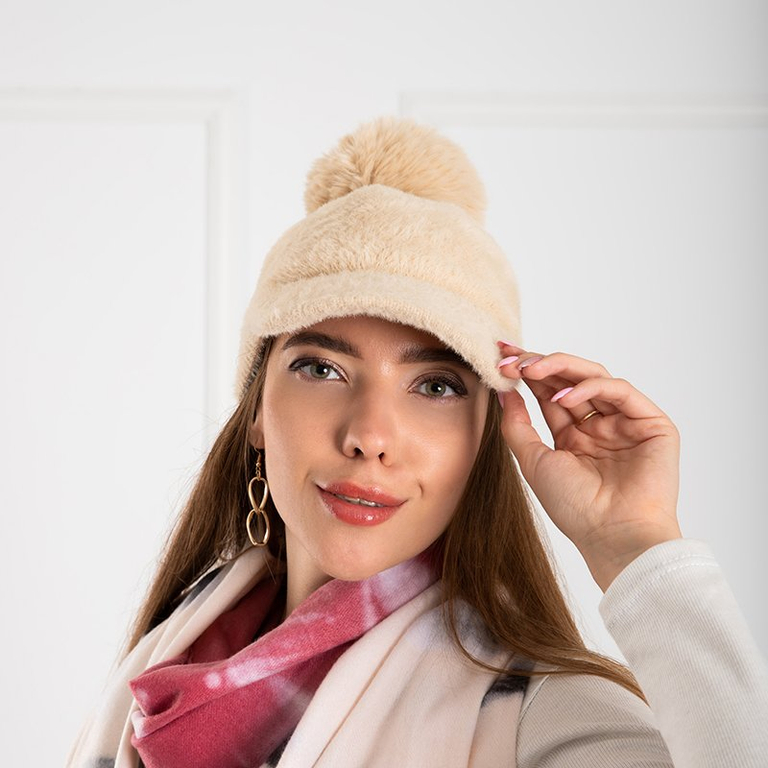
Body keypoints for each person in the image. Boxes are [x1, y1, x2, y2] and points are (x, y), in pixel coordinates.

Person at [67, 116, 768, 767]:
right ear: (256, 408)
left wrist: (636, 547)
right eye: (322, 368)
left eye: (436, 385)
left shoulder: (536, 717)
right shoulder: (165, 662)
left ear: (485, 436)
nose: (369, 436)